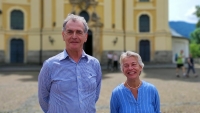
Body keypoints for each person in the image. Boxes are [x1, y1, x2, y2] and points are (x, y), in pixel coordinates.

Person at [38, 14, 102, 113]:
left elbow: (94, 96)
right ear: (63, 35)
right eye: (70, 32)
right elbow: (43, 99)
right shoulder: (50, 65)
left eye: (79, 32)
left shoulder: (95, 64)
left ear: (85, 37)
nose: (74, 36)